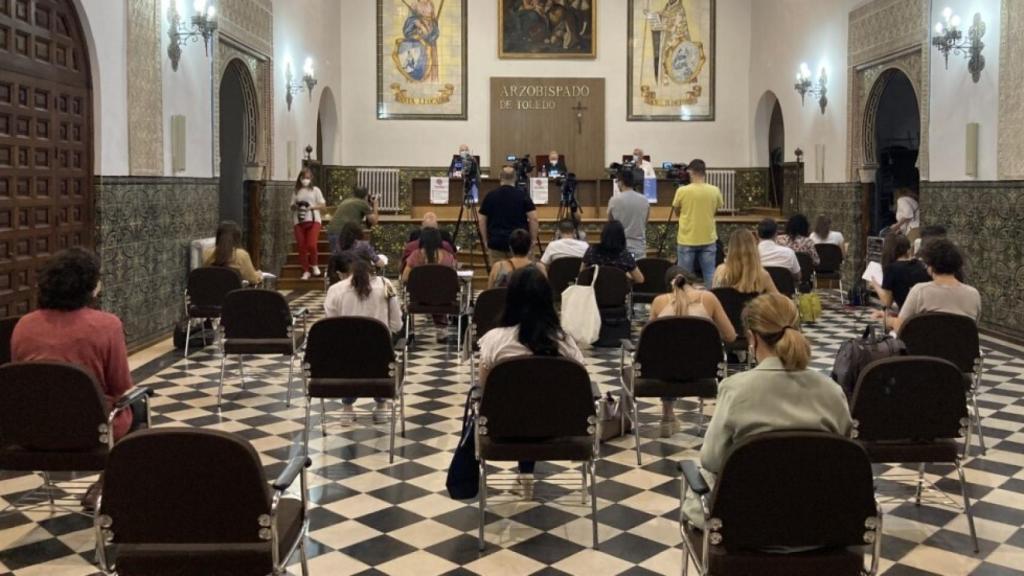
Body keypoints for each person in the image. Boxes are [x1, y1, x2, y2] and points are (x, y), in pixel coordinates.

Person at [681, 294, 852, 529]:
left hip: (747, 525)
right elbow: (844, 455)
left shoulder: (735, 389)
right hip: (818, 525)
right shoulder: (832, 391)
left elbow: (711, 459)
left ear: (752, 339)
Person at [11, 248, 146, 509]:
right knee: (139, 406)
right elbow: (121, 387)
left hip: (29, 430)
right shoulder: (107, 325)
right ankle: (108, 485)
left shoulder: (24, 324)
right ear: (90, 286)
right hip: (92, 431)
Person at [477, 266, 586, 498]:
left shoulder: (494, 341)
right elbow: (580, 382)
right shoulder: (565, 342)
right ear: (548, 299)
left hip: (504, 427)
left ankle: (524, 474)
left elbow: (485, 390)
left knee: (521, 406)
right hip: (558, 427)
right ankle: (526, 473)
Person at [650, 267, 737, 436]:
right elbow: (731, 336)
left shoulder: (659, 301)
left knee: (669, 351)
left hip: (664, 372)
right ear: (692, 281)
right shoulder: (709, 298)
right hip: (704, 371)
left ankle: (667, 414)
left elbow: (650, 342)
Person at [324, 252, 404, 424]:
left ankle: (347, 407)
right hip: (379, 357)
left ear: (346, 271)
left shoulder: (335, 290)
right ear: (372, 268)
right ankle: (381, 406)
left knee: (347, 349)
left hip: (344, 359)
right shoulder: (386, 285)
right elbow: (397, 325)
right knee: (379, 351)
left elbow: (331, 328)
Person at [876, 239, 981, 332]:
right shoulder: (974, 294)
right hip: (962, 352)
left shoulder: (920, 291)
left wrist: (888, 320)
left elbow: (901, 327)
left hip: (924, 353)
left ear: (930, 266)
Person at [672, 159, 723, 286]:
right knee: (709, 274)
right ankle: (709, 302)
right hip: (708, 238)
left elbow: (676, 211)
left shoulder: (682, 191)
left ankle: (684, 302)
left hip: (687, 238)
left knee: (683, 275)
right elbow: (715, 210)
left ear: (691, 172)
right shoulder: (715, 190)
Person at [479, 165, 539, 265]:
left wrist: (485, 240)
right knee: (522, 276)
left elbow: (482, 220)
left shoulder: (490, 196)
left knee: (499, 276)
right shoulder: (522, 195)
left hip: (496, 242)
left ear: (500, 177)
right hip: (519, 244)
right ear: (515, 178)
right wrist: (532, 240)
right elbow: (534, 219)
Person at [870, 232, 930, 311]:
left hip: (909, 315)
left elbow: (887, 302)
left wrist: (874, 284)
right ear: (908, 249)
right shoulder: (921, 265)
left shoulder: (892, 269)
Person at [712, 229, 778, 294]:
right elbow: (778, 300)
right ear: (754, 248)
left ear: (730, 249)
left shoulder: (720, 271)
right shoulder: (762, 275)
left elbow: (714, 295)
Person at [291, 167, 327, 280]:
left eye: (307, 177)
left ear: (311, 178)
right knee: (301, 246)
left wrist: (311, 207)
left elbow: (323, 205)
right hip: (299, 220)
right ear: (300, 178)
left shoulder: (315, 190)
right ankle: (306, 270)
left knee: (311, 244)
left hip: (314, 219)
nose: (305, 180)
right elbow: (291, 206)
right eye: (303, 177)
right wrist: (297, 205)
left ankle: (314, 265)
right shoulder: (296, 191)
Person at [607, 165, 650, 259]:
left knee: (620, 273)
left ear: (621, 182)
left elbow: (611, 223)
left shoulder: (614, 200)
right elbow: (645, 222)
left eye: (617, 181)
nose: (617, 184)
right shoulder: (644, 200)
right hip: (639, 247)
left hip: (620, 246)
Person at [202, 221, 262, 285]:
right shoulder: (242, 255)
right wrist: (259, 274)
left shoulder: (207, 253)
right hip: (233, 294)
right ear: (237, 238)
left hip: (211, 293)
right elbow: (253, 280)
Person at [327, 186, 378, 254]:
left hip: (332, 231)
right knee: (347, 258)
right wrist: (375, 205)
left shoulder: (346, 201)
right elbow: (374, 221)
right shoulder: (362, 203)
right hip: (343, 234)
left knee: (337, 258)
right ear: (366, 196)